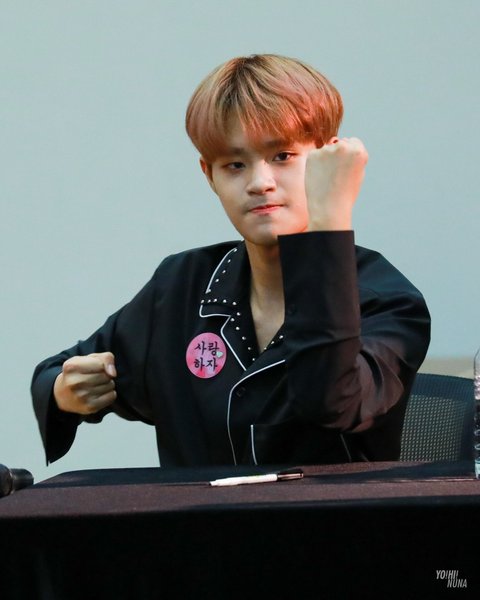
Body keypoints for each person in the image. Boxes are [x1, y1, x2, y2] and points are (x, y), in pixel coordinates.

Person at [31, 54, 430, 467]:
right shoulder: (182, 284)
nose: (260, 183)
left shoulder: (387, 300)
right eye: (235, 165)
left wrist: (330, 220)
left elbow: (330, 401)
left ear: (329, 159)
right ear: (209, 175)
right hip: (196, 511)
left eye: (283, 156)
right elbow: (57, 371)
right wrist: (65, 390)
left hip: (333, 511)